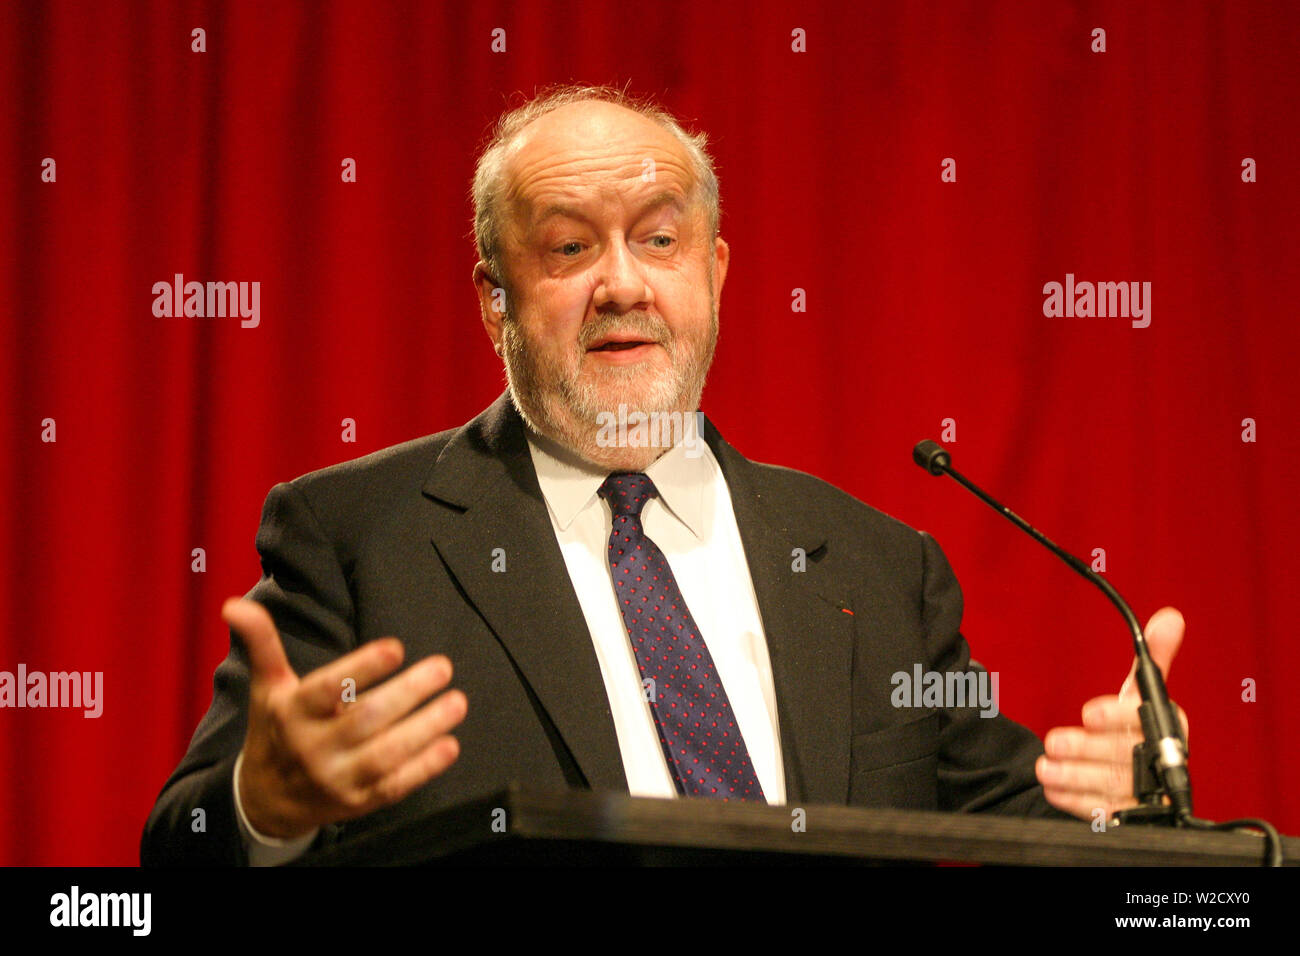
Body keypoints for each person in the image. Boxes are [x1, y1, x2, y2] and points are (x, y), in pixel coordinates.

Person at [140, 85, 1187, 866]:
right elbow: (174, 854)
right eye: (565, 248)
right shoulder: (360, 535)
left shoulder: (880, 561)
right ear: (493, 298)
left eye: (658, 238)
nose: (622, 283)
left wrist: (1121, 808)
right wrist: (263, 806)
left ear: (714, 272)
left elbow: (1001, 820)